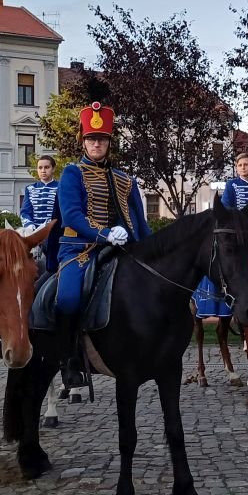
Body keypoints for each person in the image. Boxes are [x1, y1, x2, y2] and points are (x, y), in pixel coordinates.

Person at [53, 91, 151, 386]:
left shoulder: (125, 179)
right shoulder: (71, 173)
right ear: (83, 141)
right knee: (69, 298)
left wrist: (151, 250)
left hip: (123, 249)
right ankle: (67, 359)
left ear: (110, 142)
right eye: (92, 138)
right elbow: (71, 216)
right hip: (80, 249)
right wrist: (106, 234)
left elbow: (140, 222)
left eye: (103, 139)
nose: (97, 143)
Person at [21, 154, 60, 233]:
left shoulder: (61, 188)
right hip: (34, 232)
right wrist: (30, 226)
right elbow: (25, 212)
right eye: (40, 168)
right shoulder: (30, 189)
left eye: (47, 167)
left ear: (53, 169)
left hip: (54, 232)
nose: (43, 171)